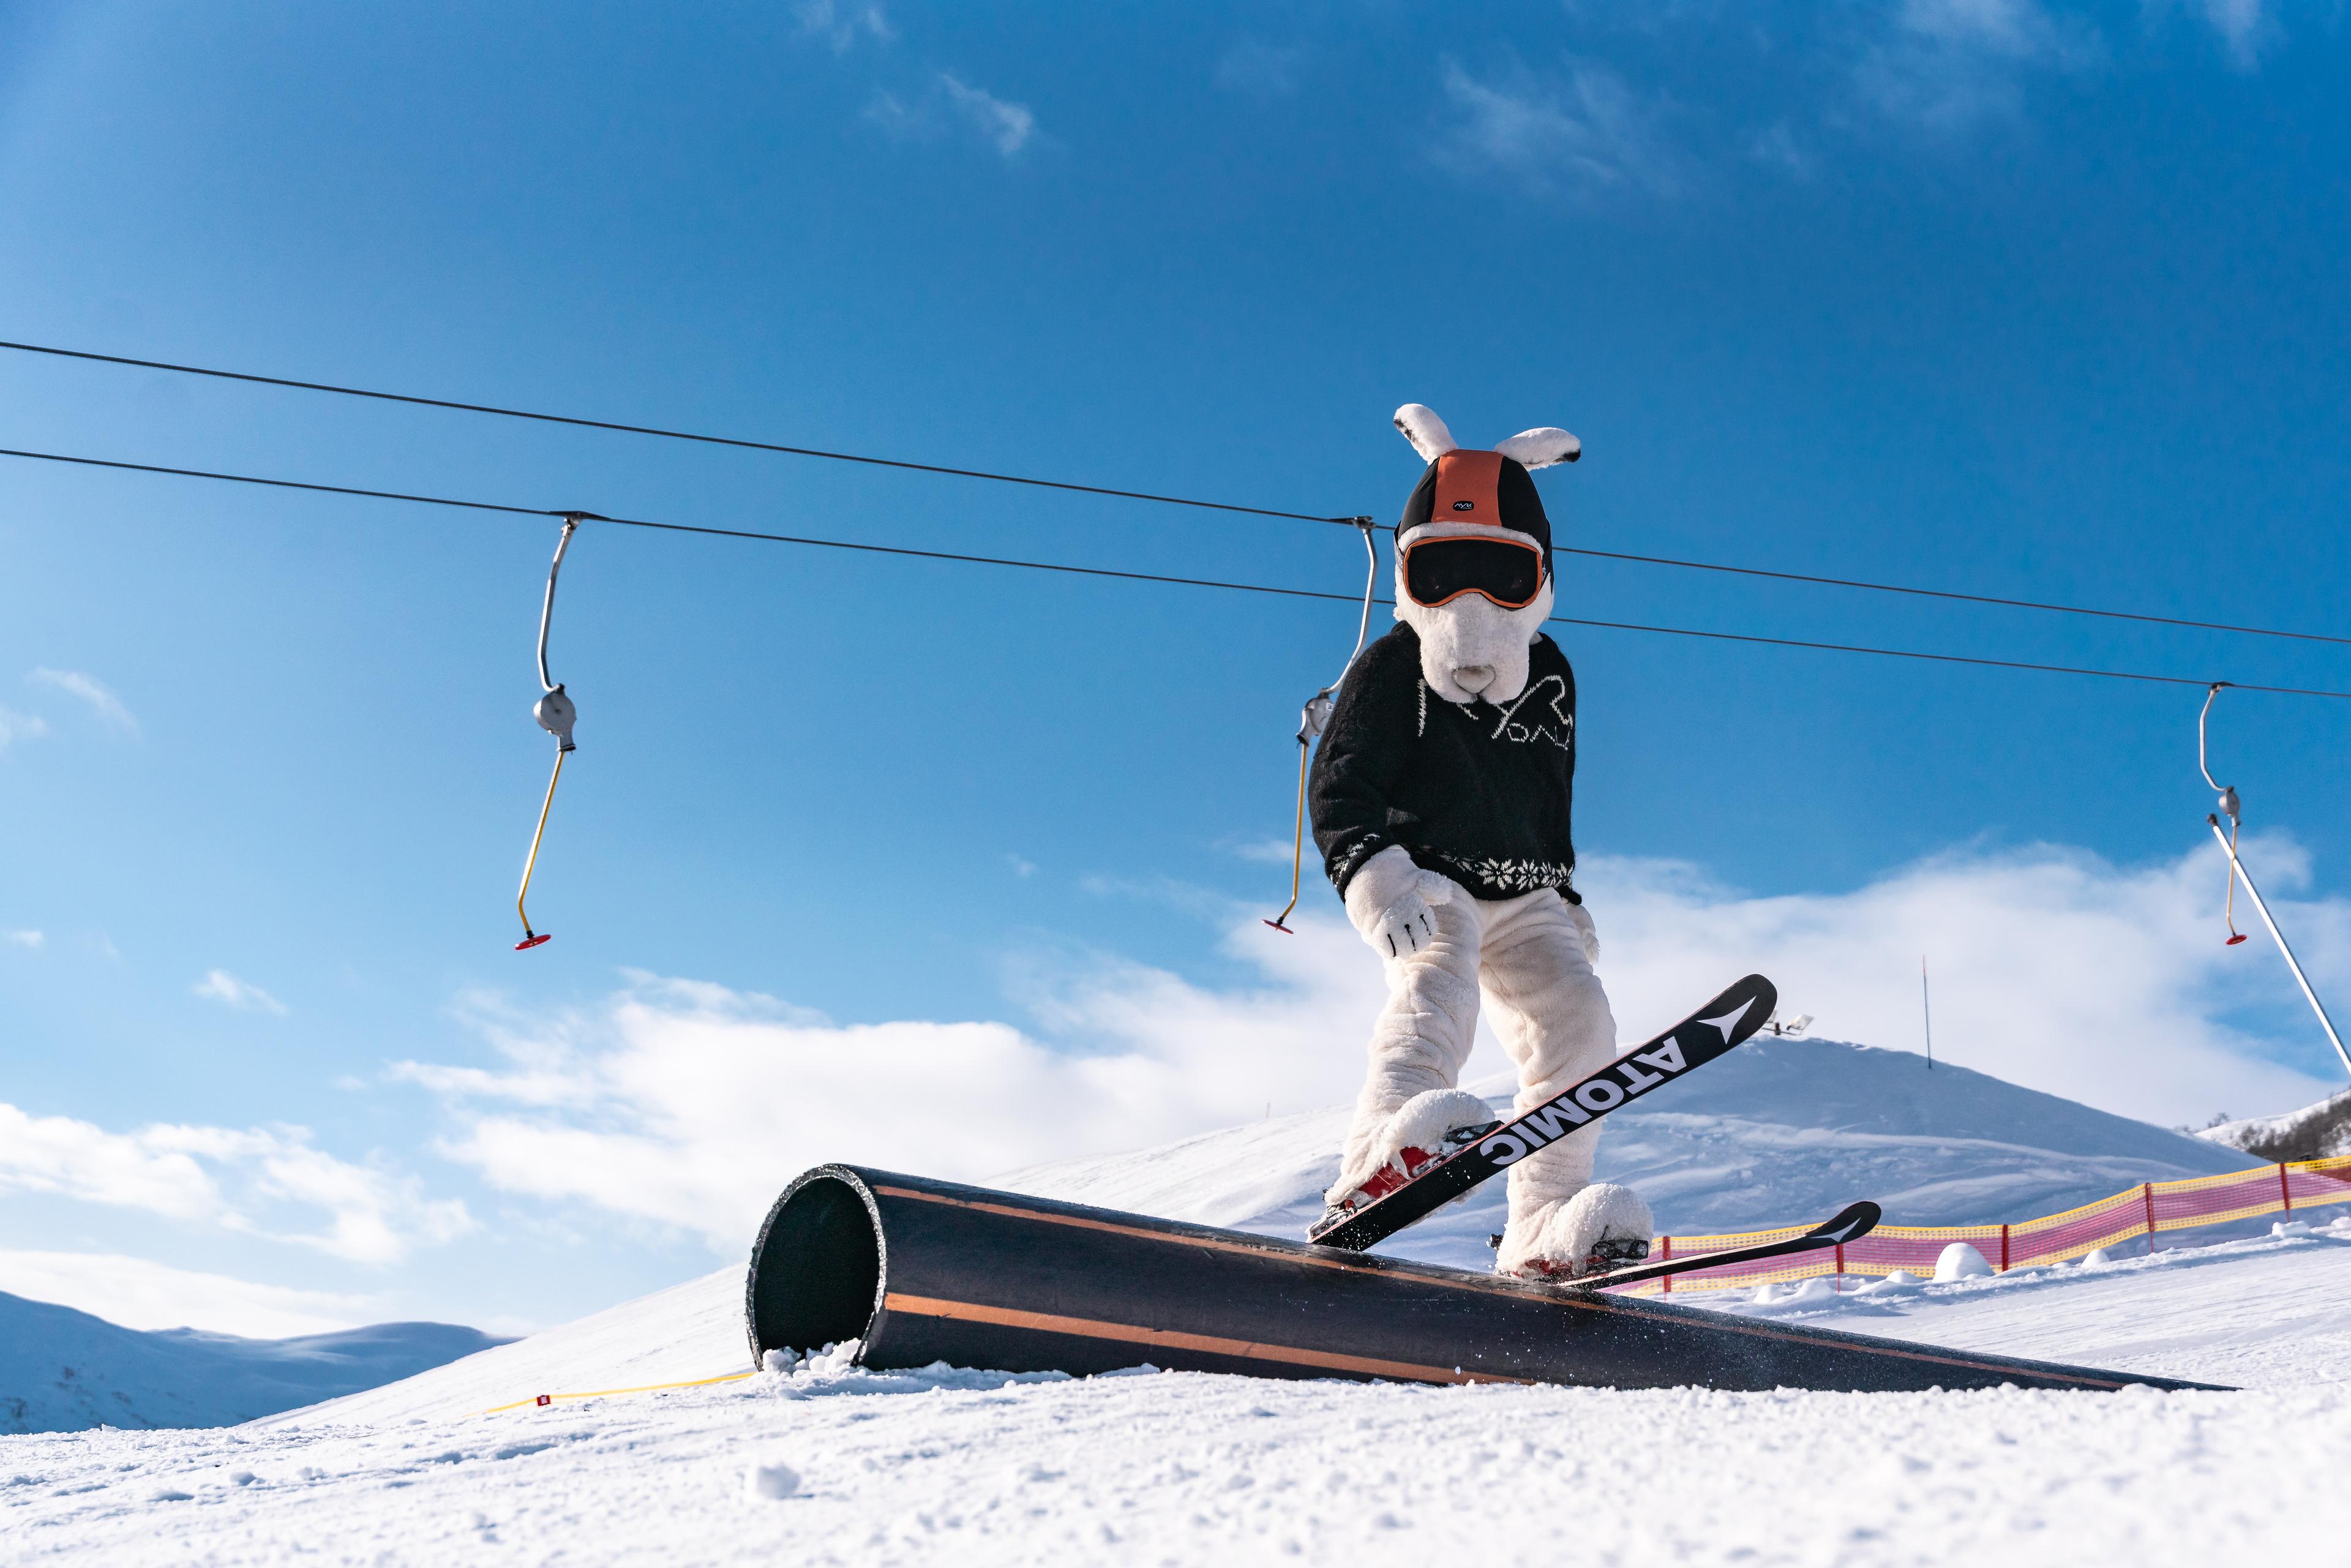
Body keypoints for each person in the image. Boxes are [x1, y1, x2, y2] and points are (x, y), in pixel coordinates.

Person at [1307, 404, 1649, 1278]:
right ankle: (1372, 1166)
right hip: (1430, 883)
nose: (1470, 605)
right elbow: (1339, 779)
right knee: (1436, 997)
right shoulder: (1391, 667)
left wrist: (1563, 894)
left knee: (1582, 1026)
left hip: (1526, 895)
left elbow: (1547, 792)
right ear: (1410, 575)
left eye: (1500, 576)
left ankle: (1541, 1228)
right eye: (1440, 572)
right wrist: (1368, 868)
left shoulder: (1554, 674)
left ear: (1538, 580)